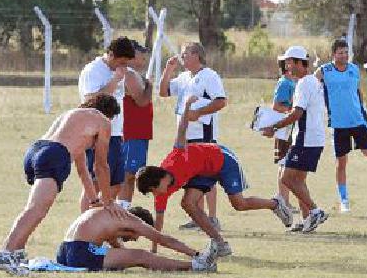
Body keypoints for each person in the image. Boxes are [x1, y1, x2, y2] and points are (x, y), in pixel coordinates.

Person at [137, 96, 292, 257]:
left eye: (154, 190)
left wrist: (188, 106)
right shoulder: (163, 192)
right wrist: (153, 251)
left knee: (239, 204)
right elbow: (158, 226)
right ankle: (220, 243)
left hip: (222, 160)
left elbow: (182, 128)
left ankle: (275, 204)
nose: (155, 195)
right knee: (188, 203)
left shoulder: (177, 158)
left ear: (160, 180)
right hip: (202, 173)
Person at [0, 94, 121, 276]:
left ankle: (17, 255)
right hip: (54, 156)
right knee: (36, 209)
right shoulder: (103, 121)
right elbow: (100, 166)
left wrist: (94, 199)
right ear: (110, 114)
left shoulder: (73, 117)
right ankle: (5, 253)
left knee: (34, 208)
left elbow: (83, 171)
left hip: (35, 151)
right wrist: (108, 201)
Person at [261, 46, 329, 233]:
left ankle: (315, 211)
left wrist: (273, 127)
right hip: (312, 138)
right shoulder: (311, 81)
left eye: (290, 61)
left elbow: (296, 114)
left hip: (305, 139)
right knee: (298, 179)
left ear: (301, 63)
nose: (287, 65)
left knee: (287, 178)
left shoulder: (304, 84)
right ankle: (308, 219)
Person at [160, 42, 227, 232]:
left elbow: (221, 101)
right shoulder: (183, 77)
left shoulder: (209, 76)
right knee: (193, 176)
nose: (182, 57)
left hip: (203, 134)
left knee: (207, 175)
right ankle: (198, 216)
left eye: (185, 54)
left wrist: (200, 113)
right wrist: (168, 69)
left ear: (197, 55)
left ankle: (212, 218)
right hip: (186, 136)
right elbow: (163, 92)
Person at [316, 38, 367, 213]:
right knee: (341, 163)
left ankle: (364, 139)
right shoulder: (325, 70)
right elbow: (311, 85)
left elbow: (357, 91)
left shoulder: (353, 69)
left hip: (357, 120)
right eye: (340, 52)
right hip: (338, 124)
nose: (344, 55)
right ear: (333, 54)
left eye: (346, 52)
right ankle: (344, 200)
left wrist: (363, 109)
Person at [56, 206, 215, 272]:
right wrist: (195, 254)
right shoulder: (131, 220)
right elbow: (163, 239)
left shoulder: (110, 217)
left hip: (63, 252)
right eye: (137, 235)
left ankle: (195, 264)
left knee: (133, 255)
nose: (135, 239)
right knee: (141, 255)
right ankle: (195, 266)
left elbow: (115, 244)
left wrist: (126, 256)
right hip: (81, 252)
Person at [78, 36, 136, 207]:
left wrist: (120, 132)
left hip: (115, 133)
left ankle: (101, 219)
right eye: (121, 61)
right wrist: (115, 81)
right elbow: (90, 99)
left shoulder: (118, 72)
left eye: (126, 63)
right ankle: (85, 226)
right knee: (95, 183)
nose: (123, 66)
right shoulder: (93, 71)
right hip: (96, 134)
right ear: (111, 54)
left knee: (116, 182)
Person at [117, 41, 153, 210]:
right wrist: (150, 86)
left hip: (139, 131)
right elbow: (142, 101)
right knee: (128, 174)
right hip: (133, 131)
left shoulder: (133, 74)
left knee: (131, 173)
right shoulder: (129, 75)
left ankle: (125, 207)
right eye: (141, 53)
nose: (144, 57)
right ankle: (122, 209)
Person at [272, 54, 298, 212]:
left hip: (292, 128)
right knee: (284, 163)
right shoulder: (284, 83)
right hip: (284, 128)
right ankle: (283, 200)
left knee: (288, 163)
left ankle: (284, 199)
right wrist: (294, 111)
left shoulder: (292, 82)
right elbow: (276, 106)